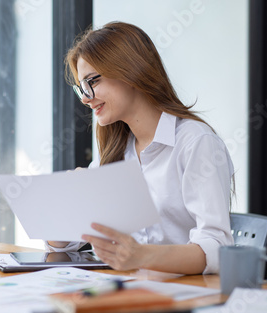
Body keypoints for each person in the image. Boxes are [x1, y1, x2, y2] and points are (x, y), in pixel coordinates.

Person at [46, 21, 234, 275]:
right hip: (127, 290)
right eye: (81, 87)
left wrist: (141, 256)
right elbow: (70, 243)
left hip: (182, 294)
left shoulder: (196, 142)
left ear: (129, 71)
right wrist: (71, 201)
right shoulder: (114, 150)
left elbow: (218, 248)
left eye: (92, 81)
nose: (85, 97)